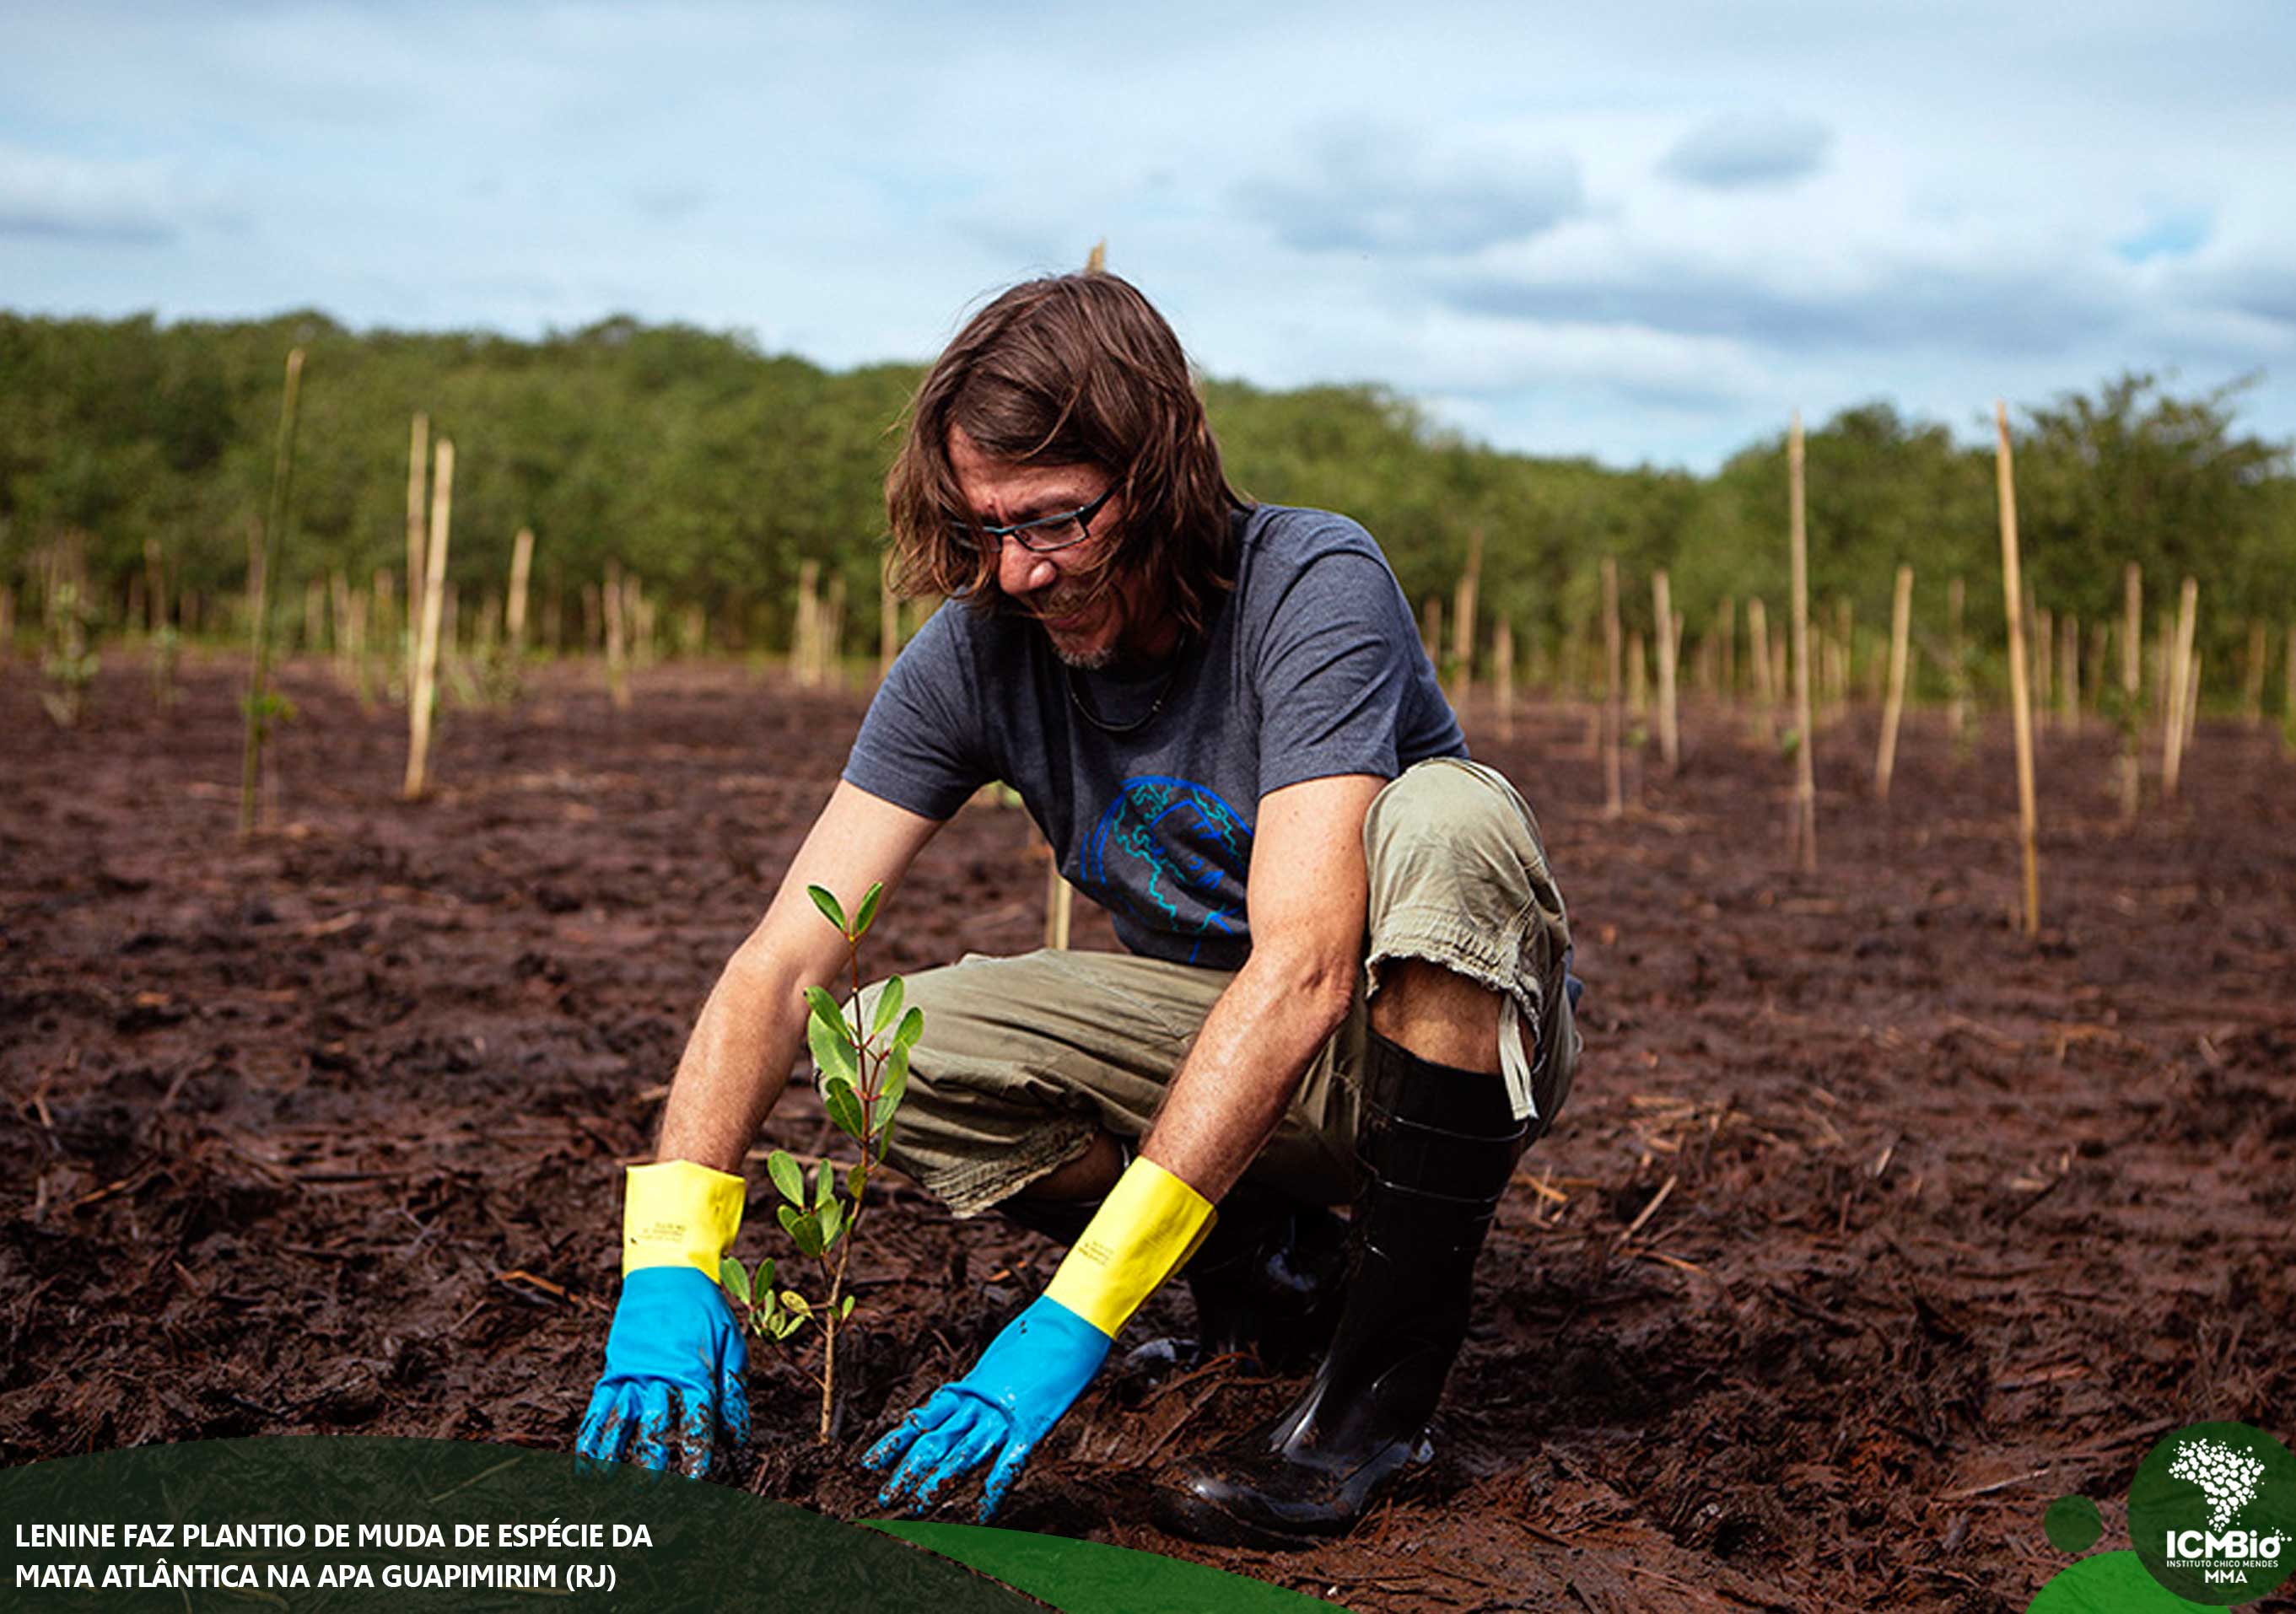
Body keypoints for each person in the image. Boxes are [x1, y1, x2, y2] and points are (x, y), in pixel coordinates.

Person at [576, 271, 1578, 1547]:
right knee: (885, 1045)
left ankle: (1371, 1403)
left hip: (1418, 1037)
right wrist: (670, 1248)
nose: (1017, 572)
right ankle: (1259, 1266)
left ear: (1156, 474)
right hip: (1218, 1040)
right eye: (982, 526)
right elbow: (784, 958)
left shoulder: (1311, 582)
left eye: (1052, 521)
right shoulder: (978, 644)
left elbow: (1307, 971)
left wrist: (1071, 1317)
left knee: (1452, 816)